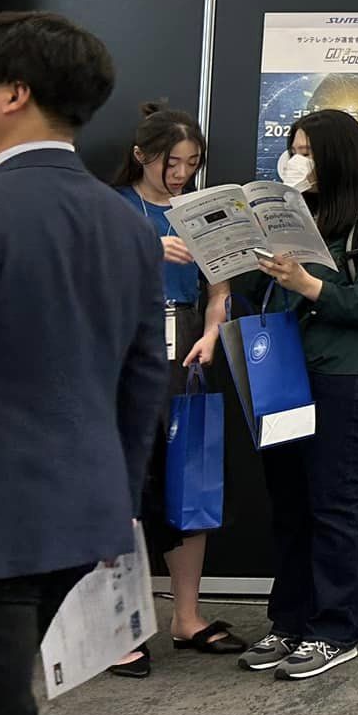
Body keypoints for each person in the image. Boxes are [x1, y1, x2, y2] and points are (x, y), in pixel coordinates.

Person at [0, 12, 165, 715]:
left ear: (13, 92)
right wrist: (116, 501)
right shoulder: (126, 226)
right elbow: (142, 382)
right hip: (79, 518)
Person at [247, 108, 358, 676]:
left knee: (334, 502)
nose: (297, 161)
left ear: (335, 156)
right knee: (289, 501)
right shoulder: (296, 215)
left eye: (307, 151)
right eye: (293, 150)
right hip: (283, 370)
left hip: (341, 376)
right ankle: (288, 621)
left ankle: (335, 629)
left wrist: (308, 283)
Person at [112, 105, 246, 676]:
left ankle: (186, 616)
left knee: (190, 478)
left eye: (192, 163)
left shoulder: (201, 210)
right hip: (125, 348)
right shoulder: (112, 208)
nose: (182, 175)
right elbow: (82, 276)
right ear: (141, 156)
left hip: (188, 347)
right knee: (124, 490)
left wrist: (214, 332)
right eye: (172, 163)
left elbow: (220, 290)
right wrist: (145, 248)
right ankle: (120, 628)